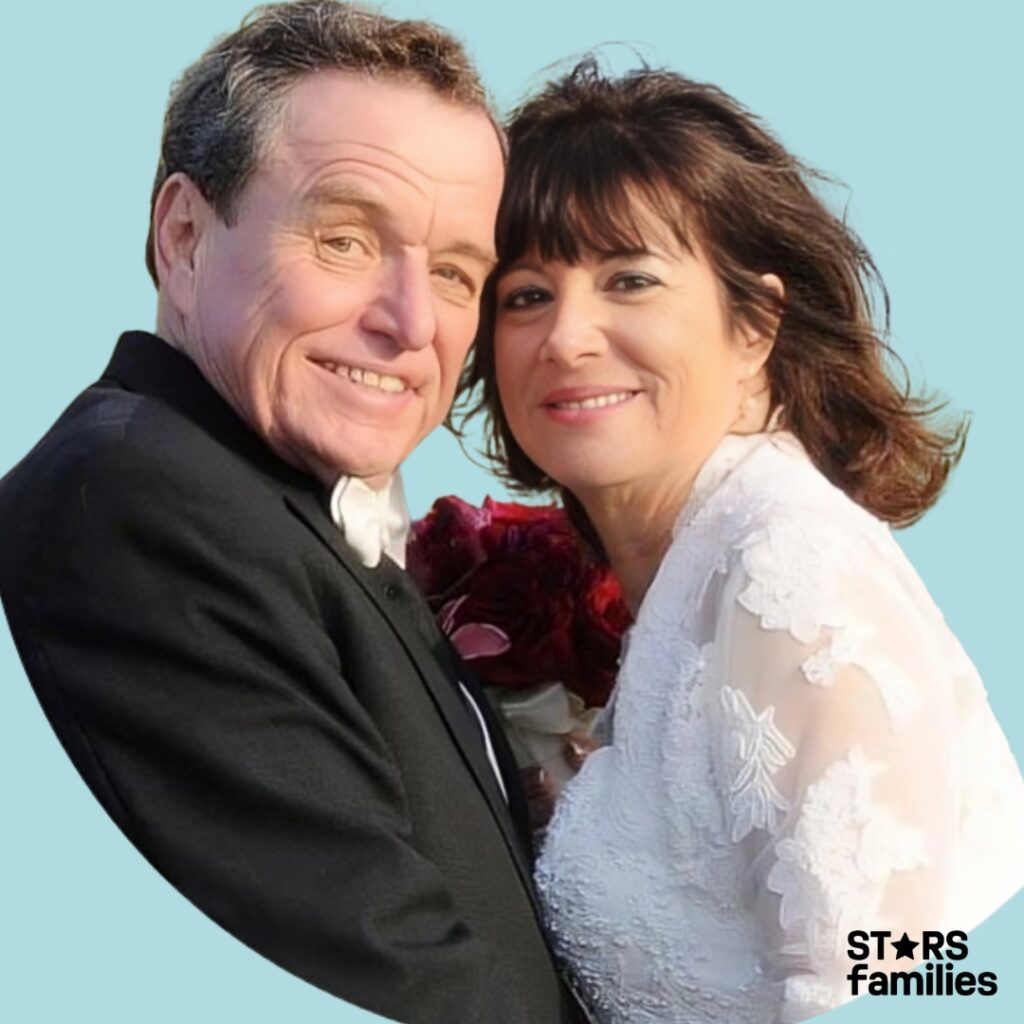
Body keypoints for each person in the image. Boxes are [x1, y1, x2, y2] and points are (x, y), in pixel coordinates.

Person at [0, 4, 588, 1022]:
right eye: (348, 238)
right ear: (182, 237)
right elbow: (393, 977)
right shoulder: (139, 502)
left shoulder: (283, 508)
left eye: (454, 271)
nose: (411, 323)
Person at [463, 59, 1024, 1022]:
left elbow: (918, 987)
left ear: (755, 322)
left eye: (628, 279)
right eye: (524, 296)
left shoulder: (787, 570)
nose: (567, 337)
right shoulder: (688, 575)